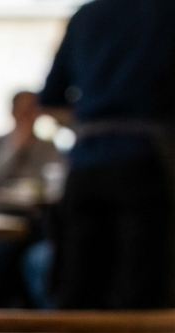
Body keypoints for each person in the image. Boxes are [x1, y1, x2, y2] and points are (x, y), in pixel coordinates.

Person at [38, 0, 175, 309]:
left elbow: (49, 102)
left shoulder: (86, 15)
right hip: (147, 163)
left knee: (77, 290)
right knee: (141, 293)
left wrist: (94, 117)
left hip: (86, 166)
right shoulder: (166, 12)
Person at [0, 92, 65, 307]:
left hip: (34, 221)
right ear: (12, 112)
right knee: (0, 254)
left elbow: (54, 186)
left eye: (33, 109)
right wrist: (14, 147)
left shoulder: (48, 148)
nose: (28, 115)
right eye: (23, 109)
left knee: (46, 257)